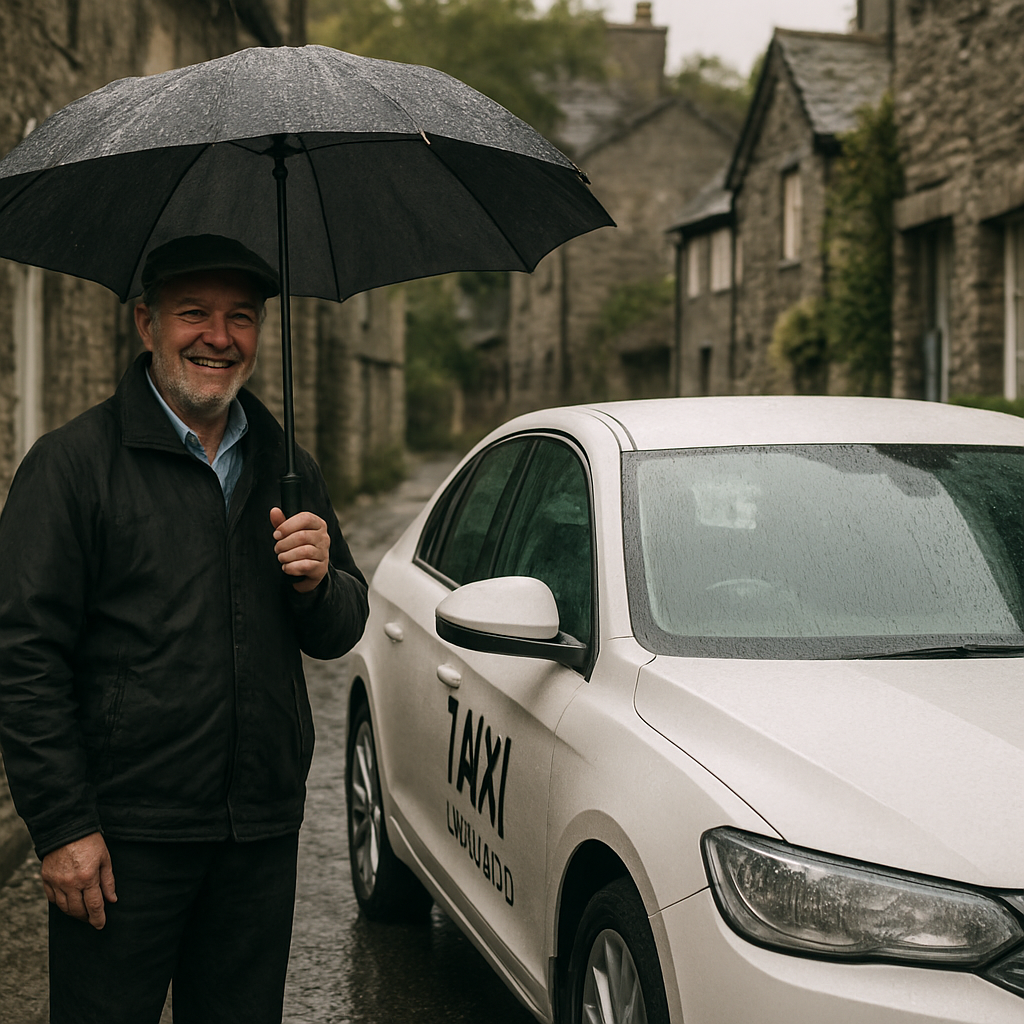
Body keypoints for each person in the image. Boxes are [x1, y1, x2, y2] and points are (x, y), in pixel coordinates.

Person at [0, 235, 369, 1024]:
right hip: (126, 838)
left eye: (241, 317)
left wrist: (318, 581)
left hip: (257, 833)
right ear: (145, 323)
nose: (219, 336)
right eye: (193, 313)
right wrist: (63, 826)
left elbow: (340, 627)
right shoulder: (70, 468)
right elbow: (24, 658)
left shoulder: (285, 463)